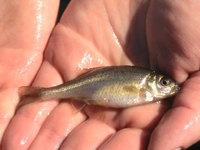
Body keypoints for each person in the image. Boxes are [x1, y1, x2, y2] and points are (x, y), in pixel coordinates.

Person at [0, 0, 200, 149]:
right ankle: (40, 93)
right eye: (164, 82)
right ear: (151, 81)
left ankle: (38, 94)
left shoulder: (146, 86)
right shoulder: (143, 85)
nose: (169, 86)